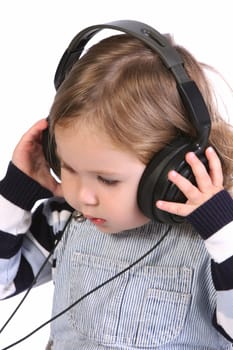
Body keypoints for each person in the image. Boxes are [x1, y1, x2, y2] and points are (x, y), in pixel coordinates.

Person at [1, 21, 233, 349]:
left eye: (108, 180)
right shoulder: (65, 219)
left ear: (172, 168)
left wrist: (224, 233)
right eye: (67, 167)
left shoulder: (212, 245)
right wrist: (15, 193)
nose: (83, 196)